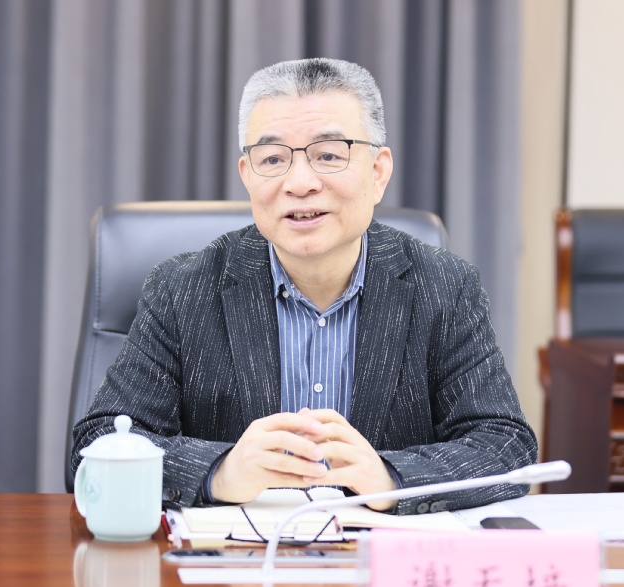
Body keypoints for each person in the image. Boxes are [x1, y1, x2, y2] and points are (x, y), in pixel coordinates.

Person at [72, 58, 537, 515]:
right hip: (236, 558)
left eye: (329, 155)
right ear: (247, 176)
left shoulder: (445, 287)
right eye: (273, 159)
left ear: (378, 172)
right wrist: (219, 472)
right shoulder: (182, 290)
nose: (299, 183)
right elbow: (97, 445)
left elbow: (504, 444)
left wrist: (391, 478)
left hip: (376, 556)